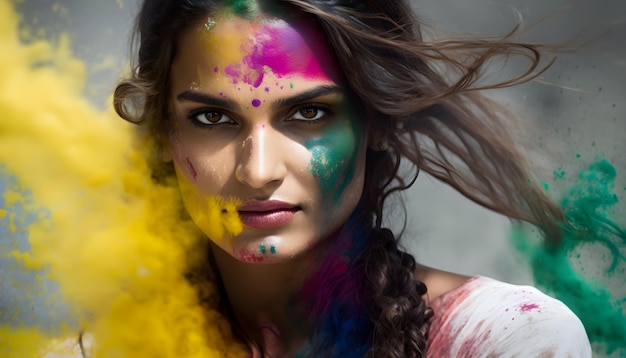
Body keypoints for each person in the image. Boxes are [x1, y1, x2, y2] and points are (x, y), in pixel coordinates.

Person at [103, 0, 592, 356]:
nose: (257, 171)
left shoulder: (504, 339)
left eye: (309, 112)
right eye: (212, 118)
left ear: (376, 121)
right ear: (165, 134)